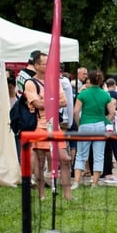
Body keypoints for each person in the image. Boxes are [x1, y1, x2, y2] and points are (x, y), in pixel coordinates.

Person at [24, 52, 72, 200]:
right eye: (45, 64)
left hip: (55, 126)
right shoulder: (30, 83)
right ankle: (42, 195)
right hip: (40, 126)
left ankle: (67, 195)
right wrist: (52, 101)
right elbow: (37, 104)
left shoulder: (55, 81)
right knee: (40, 161)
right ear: (36, 65)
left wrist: (47, 101)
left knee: (65, 159)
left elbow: (64, 102)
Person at [72, 70, 116, 189]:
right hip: (100, 126)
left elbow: (76, 111)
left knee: (80, 155)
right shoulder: (105, 94)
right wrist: (105, 121)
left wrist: (79, 124)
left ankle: (76, 182)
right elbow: (112, 112)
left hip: (85, 124)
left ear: (89, 80)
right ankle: (95, 183)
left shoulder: (83, 94)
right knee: (99, 155)